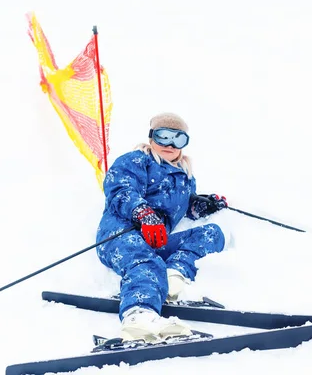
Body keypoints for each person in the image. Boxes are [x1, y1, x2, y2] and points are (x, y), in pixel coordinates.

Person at [95, 112, 228, 342]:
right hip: (120, 237)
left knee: (211, 234)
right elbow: (121, 190)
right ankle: (138, 318)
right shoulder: (136, 160)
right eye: (163, 136)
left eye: (178, 139)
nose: (169, 144)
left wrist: (201, 206)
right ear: (151, 137)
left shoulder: (185, 177)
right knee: (146, 262)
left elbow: (183, 207)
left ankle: (172, 276)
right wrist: (143, 214)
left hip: (156, 240)